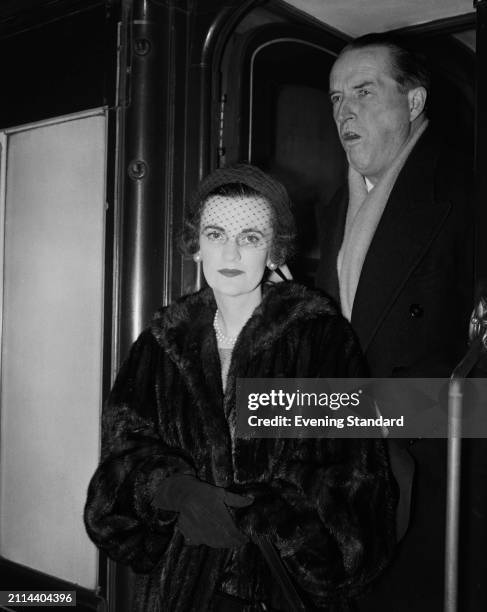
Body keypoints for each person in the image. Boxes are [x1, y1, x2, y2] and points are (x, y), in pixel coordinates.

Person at [84, 164, 397, 611]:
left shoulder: (320, 339)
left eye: (250, 237)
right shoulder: (161, 343)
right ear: (196, 247)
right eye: (215, 234)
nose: (230, 252)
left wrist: (259, 514)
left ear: (274, 251)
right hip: (183, 591)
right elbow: (120, 465)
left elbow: (352, 484)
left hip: (280, 589)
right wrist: (173, 491)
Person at [316, 34, 476, 611]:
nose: (344, 112)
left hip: (436, 466)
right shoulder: (339, 204)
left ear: (413, 103)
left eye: (363, 91)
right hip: (351, 462)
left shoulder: (466, 191)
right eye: (335, 99)